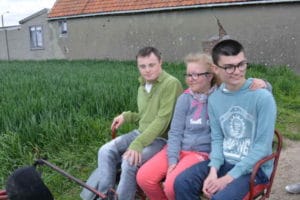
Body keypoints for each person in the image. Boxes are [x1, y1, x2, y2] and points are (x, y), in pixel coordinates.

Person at [174, 39, 277, 200]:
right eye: (229, 67)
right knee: (182, 182)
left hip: (256, 170)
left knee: (220, 198)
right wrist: (213, 170)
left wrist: (227, 179)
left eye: (241, 64)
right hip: (224, 163)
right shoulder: (215, 99)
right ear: (215, 69)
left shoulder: (262, 97)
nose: (237, 71)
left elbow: (262, 148)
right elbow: (217, 138)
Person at [80, 46, 183, 200]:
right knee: (105, 151)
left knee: (129, 161)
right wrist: (126, 116)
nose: (147, 70)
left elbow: (162, 120)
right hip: (141, 133)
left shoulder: (170, 84)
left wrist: (137, 144)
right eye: (142, 66)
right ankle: (106, 195)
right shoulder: (142, 86)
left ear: (160, 62)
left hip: (161, 140)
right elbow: (145, 116)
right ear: (138, 67)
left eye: (152, 65)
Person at [136, 53, 217, 200]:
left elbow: (241, 89)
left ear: (209, 76)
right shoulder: (184, 98)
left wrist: (263, 84)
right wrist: (173, 159)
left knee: (171, 185)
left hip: (200, 154)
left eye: (196, 75)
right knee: (144, 177)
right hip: (178, 149)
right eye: (188, 75)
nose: (191, 79)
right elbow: (175, 132)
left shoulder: (219, 98)